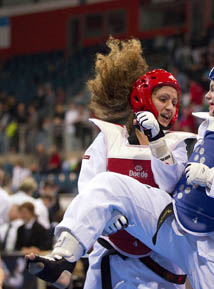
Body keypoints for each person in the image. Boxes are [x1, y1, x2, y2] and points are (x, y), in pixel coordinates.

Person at [27, 58, 214, 289]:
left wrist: (212, 179)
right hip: (174, 224)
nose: (206, 96)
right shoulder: (207, 125)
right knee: (107, 185)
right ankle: (64, 257)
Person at [30, 37, 191, 289]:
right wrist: (106, 220)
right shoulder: (109, 139)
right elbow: (89, 193)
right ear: (143, 98)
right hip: (111, 255)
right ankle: (64, 259)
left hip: (159, 260)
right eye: (163, 99)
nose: (171, 107)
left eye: (174, 101)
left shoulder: (177, 144)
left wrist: (157, 141)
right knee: (102, 186)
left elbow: (170, 185)